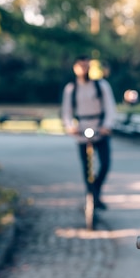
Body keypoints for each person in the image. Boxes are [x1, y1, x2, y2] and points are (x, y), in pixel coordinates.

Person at [61, 55, 117, 210]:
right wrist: (70, 126)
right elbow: (67, 111)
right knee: (86, 168)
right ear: (75, 68)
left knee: (105, 164)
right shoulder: (71, 88)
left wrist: (107, 125)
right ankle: (91, 197)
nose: (84, 69)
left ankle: (96, 192)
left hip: (100, 129)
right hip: (82, 131)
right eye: (81, 66)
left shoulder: (101, 85)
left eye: (86, 66)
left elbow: (110, 107)